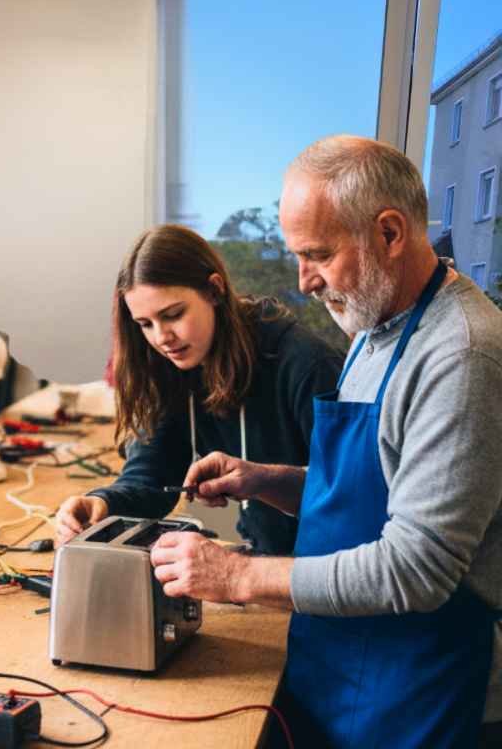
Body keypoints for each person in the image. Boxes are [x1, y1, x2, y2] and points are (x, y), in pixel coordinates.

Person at [150, 135, 502, 748]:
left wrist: (236, 576)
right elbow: (377, 491)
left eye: (318, 254)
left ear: (390, 233)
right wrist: (267, 480)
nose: (305, 280)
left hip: (419, 688)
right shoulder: (374, 325)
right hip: (337, 663)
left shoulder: (462, 356)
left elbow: (416, 569)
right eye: (297, 255)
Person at [55, 225, 344, 555]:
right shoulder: (173, 367)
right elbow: (151, 479)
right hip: (263, 557)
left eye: (173, 315)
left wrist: (263, 484)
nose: (161, 338)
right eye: (145, 324)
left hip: (324, 567)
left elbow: (351, 495)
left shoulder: (308, 365)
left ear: (214, 291)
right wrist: (101, 503)